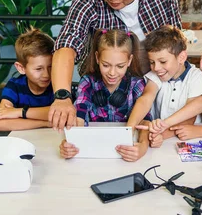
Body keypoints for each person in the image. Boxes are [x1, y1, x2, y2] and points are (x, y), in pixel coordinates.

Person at [49, 0, 182, 131]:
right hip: (109, 96)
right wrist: (62, 97)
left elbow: (175, 37)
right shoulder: (87, 1)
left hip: (160, 84)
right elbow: (66, 44)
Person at [59, 29, 152, 162]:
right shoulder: (87, 82)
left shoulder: (137, 84)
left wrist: (143, 147)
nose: (112, 73)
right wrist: (70, 142)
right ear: (97, 58)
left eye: (120, 66)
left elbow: (145, 121)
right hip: (94, 154)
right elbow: (79, 116)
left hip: (124, 155)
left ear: (130, 60)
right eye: (106, 65)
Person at [128, 25, 202, 145]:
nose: (156, 68)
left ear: (181, 57)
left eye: (163, 62)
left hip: (186, 139)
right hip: (157, 137)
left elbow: (190, 117)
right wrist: (129, 129)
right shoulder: (156, 74)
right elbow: (145, 100)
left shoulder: (195, 76)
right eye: (152, 62)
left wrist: (163, 135)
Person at [0, 29, 54, 131]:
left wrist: (19, 112)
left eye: (50, 67)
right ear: (21, 68)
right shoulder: (14, 86)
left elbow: (62, 112)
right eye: (38, 69)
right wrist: (45, 123)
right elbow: (0, 123)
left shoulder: (57, 84)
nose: (46, 75)